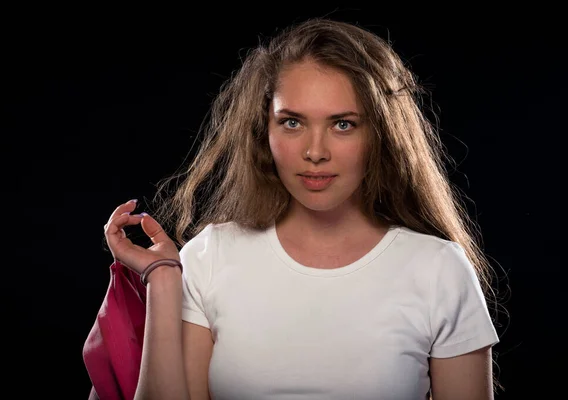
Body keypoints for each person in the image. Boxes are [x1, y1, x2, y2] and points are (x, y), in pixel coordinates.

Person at [101, 17, 500, 400]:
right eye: (292, 122)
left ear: (380, 134)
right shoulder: (209, 256)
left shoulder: (438, 269)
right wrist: (164, 280)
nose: (315, 152)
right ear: (265, 131)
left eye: (343, 124)